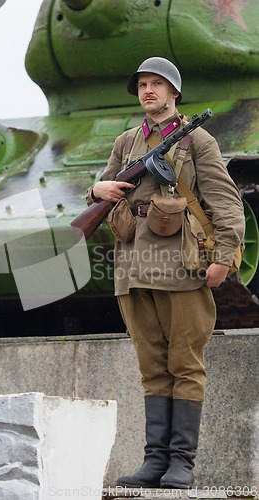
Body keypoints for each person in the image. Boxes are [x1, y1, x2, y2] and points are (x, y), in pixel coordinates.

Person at [85, 57, 245, 488]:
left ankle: (181, 463)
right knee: (152, 368)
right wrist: (96, 189)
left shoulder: (199, 142)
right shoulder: (127, 141)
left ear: (175, 92)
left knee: (185, 364)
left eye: (158, 84)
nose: (149, 91)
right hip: (133, 268)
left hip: (180, 264)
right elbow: (102, 189)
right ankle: (154, 461)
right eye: (142, 84)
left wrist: (224, 257)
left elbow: (226, 202)